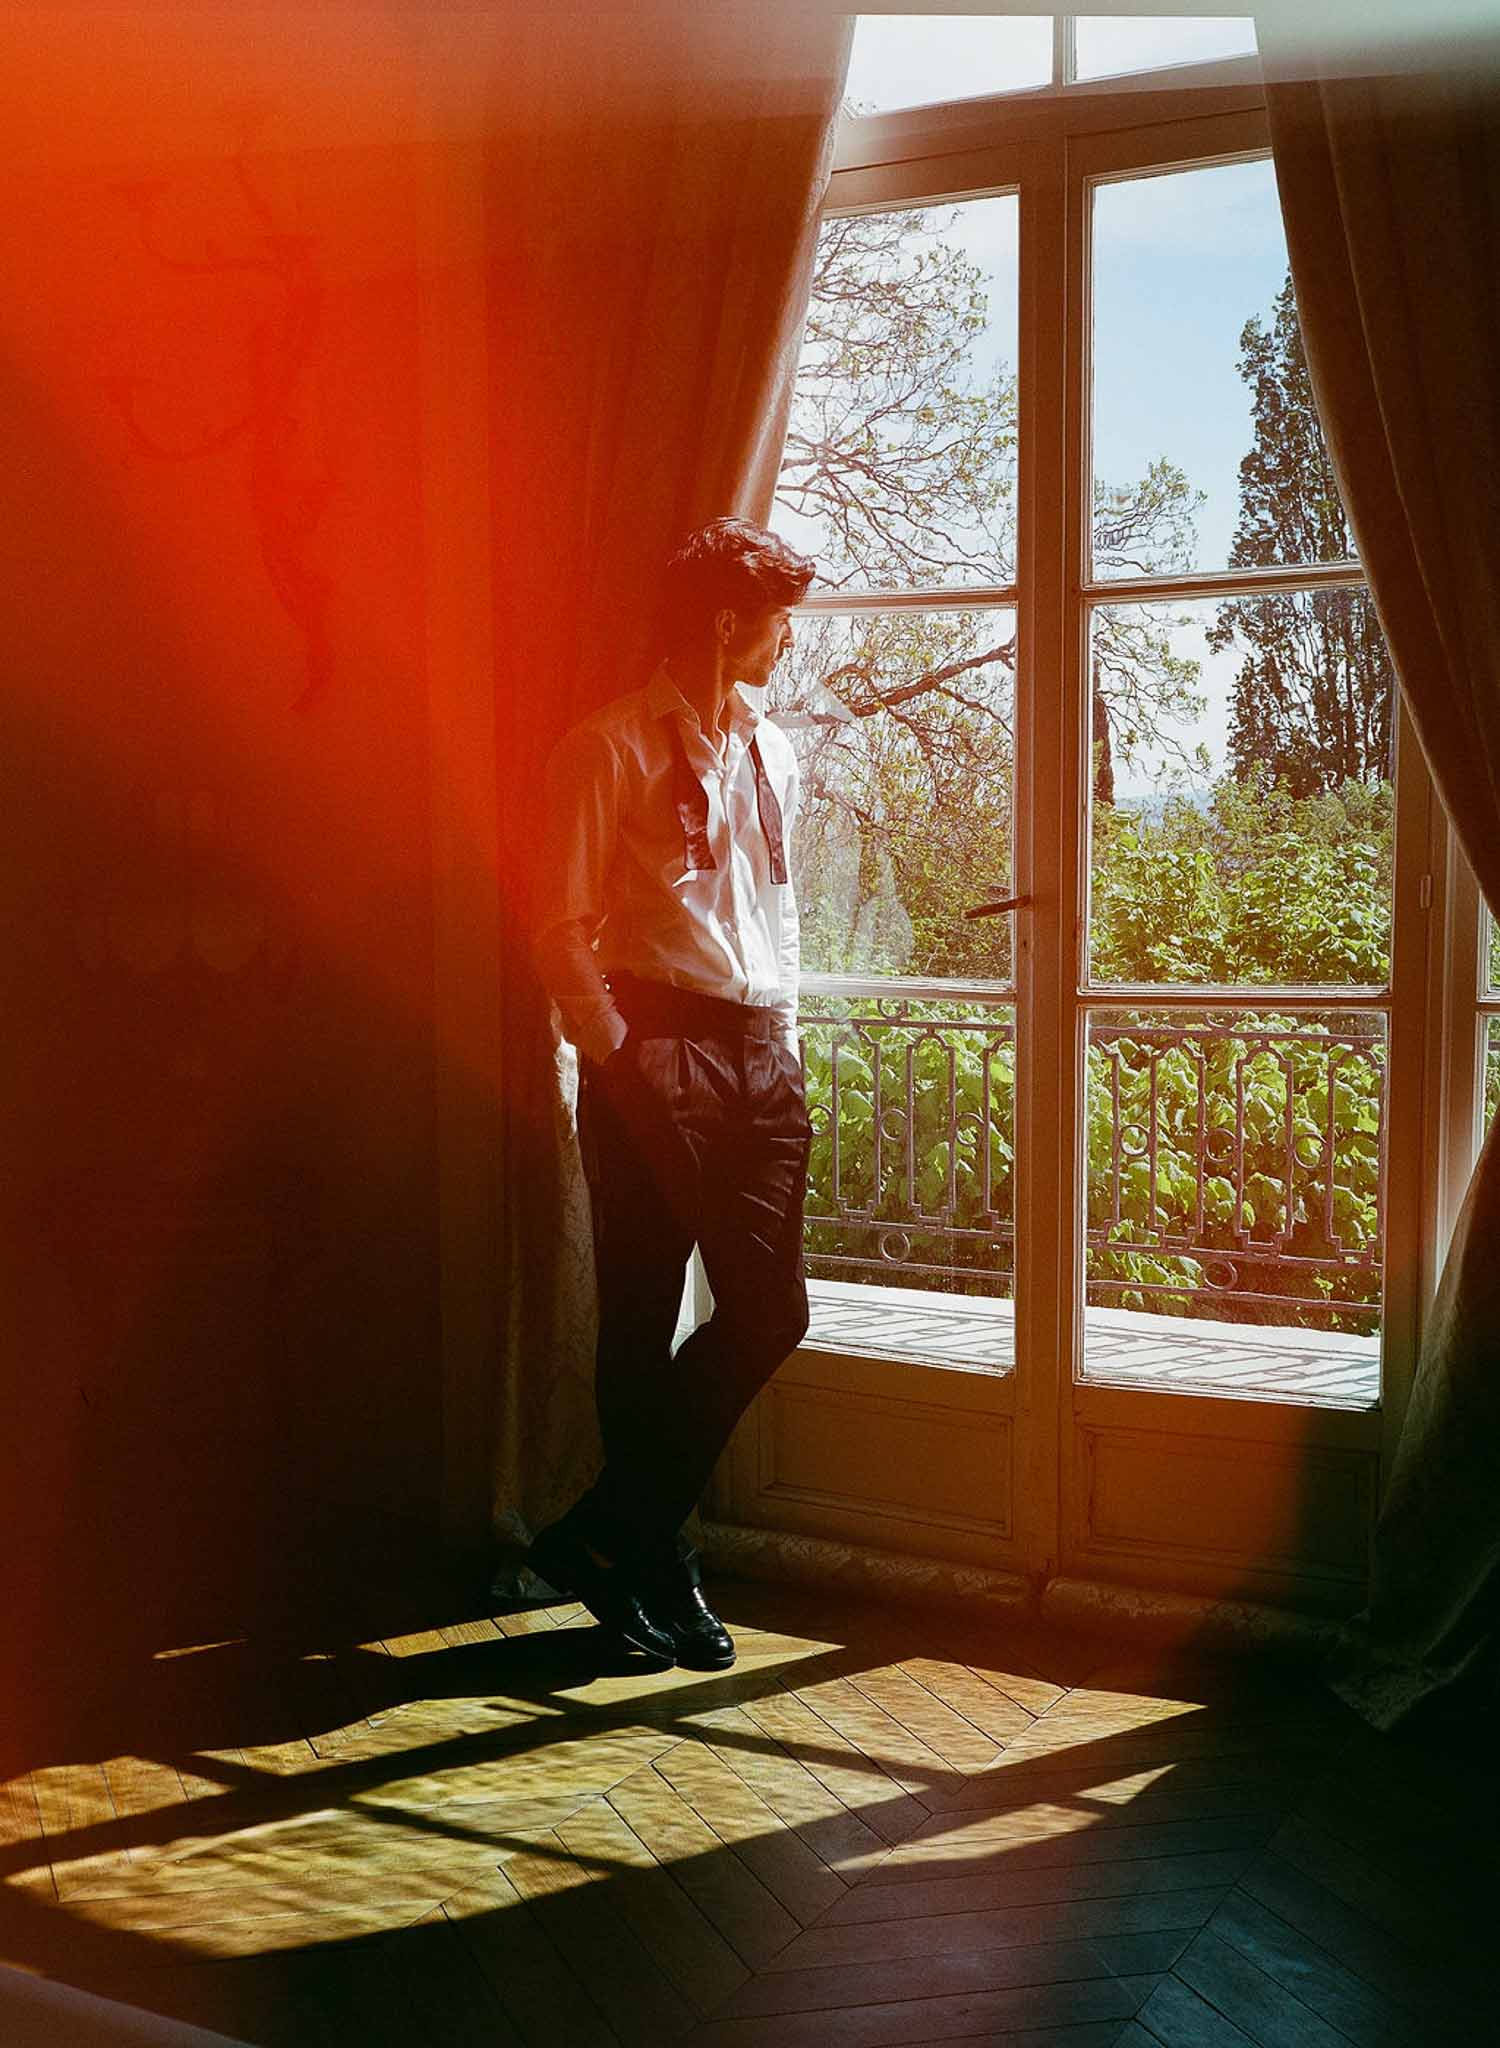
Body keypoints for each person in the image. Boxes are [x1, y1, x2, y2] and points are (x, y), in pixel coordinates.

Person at [528, 517, 817, 1668]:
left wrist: (784, 1040)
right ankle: (658, 1564)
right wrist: (617, 1052)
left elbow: (776, 910)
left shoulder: (774, 751)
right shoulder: (603, 749)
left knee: (770, 1309)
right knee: (642, 1314)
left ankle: (610, 1532)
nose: (788, 639)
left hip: (757, 1054)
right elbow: (558, 926)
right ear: (724, 620)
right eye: (778, 617)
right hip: (658, 1043)